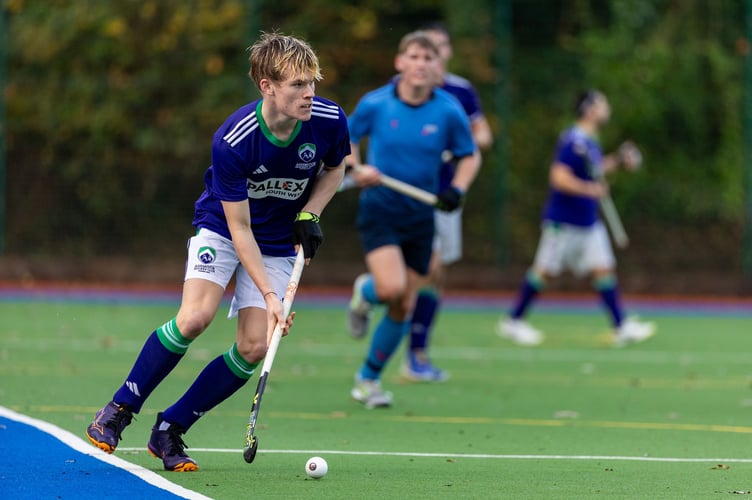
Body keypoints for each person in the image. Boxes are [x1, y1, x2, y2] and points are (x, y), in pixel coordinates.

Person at [85, 33, 349, 471]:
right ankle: (119, 409)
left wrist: (311, 213)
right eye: (297, 85)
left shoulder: (329, 119)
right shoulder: (234, 139)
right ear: (267, 86)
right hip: (225, 229)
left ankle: (171, 428)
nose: (309, 94)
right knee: (195, 317)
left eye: (312, 83)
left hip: (280, 237)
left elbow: (336, 167)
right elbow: (239, 228)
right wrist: (270, 295)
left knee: (254, 345)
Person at [345, 31, 481, 408]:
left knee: (404, 304)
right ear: (400, 62)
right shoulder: (376, 104)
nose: (422, 64)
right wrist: (357, 167)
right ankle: (365, 291)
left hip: (421, 215)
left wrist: (458, 188)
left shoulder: (449, 110)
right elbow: (346, 141)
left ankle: (368, 379)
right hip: (381, 207)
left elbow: (469, 156)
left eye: (429, 58)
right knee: (390, 289)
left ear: (439, 67)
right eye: (415, 56)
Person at [498, 90, 655, 347]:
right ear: (590, 109)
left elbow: (593, 169)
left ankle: (621, 326)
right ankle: (513, 321)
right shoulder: (574, 141)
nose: (608, 109)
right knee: (544, 271)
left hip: (587, 220)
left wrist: (617, 160)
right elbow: (559, 178)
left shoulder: (590, 141)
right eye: (603, 104)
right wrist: (590, 189)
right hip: (564, 221)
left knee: (604, 269)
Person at [402, 23, 493, 382]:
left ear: (447, 53)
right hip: (407, 197)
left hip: (444, 197)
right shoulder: (401, 93)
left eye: (437, 48)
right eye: (422, 49)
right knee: (422, 272)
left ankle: (417, 352)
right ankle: (409, 350)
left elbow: (482, 136)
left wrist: (458, 145)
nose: (430, 56)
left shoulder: (459, 92)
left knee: (434, 277)